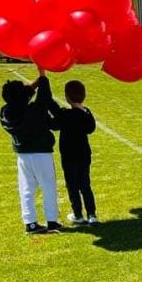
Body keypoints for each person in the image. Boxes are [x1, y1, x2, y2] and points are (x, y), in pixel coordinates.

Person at [0, 70, 61, 234]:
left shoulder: (6, 113)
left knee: (26, 188)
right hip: (41, 153)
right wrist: (42, 76)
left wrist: (37, 82)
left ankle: (30, 222)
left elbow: (21, 97)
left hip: (23, 155)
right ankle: (52, 220)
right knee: (48, 186)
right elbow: (45, 96)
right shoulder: (35, 110)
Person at [48, 80, 98, 225]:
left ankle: (78, 214)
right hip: (84, 154)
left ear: (67, 97)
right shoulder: (86, 113)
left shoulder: (65, 115)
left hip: (69, 156)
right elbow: (91, 128)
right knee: (85, 185)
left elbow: (53, 121)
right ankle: (92, 214)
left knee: (72, 186)